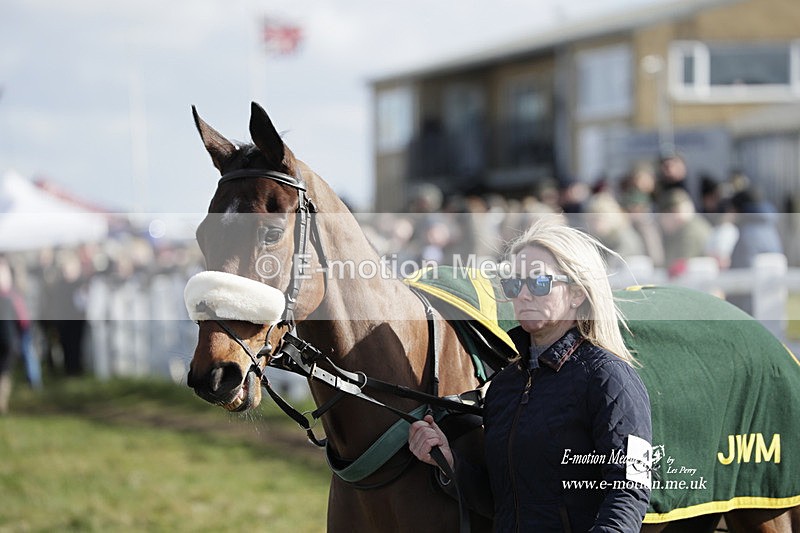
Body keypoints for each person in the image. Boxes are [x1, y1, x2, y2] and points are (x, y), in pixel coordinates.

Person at [408, 217, 652, 532]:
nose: (522, 294)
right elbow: (501, 503)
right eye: (513, 283)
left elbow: (631, 489)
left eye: (539, 282)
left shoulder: (610, 377)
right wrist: (449, 462)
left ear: (577, 294)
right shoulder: (504, 386)